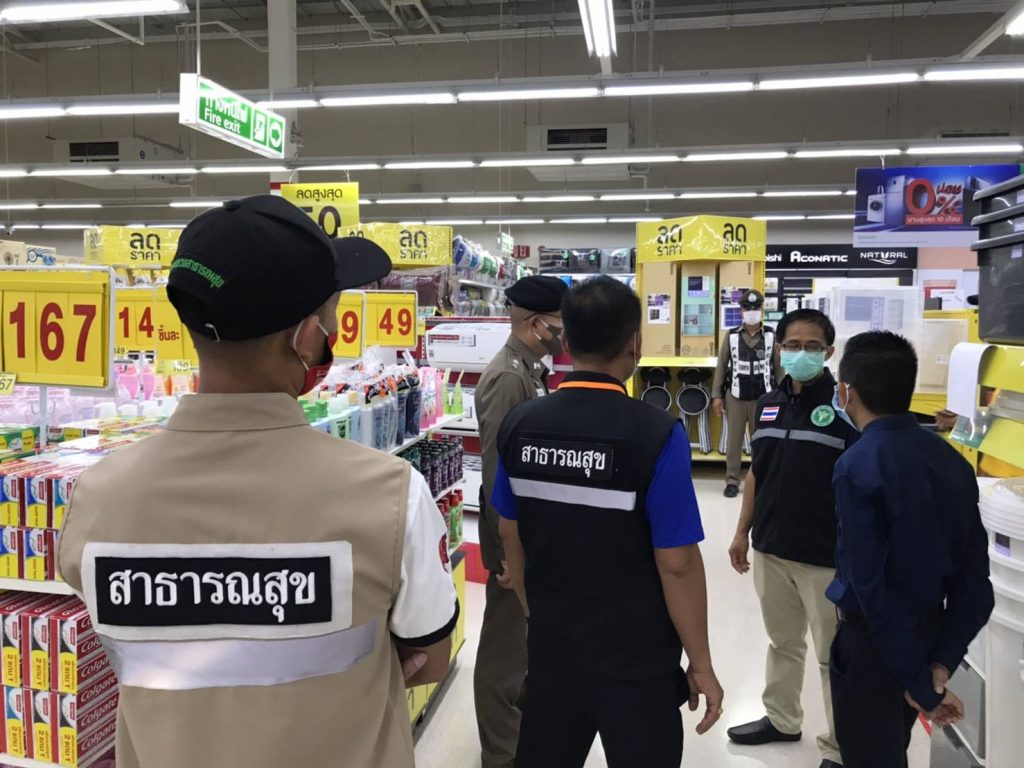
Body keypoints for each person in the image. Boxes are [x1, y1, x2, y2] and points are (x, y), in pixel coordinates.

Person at [57, 195, 459, 768]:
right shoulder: (390, 495)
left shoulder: (97, 496)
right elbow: (431, 657)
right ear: (305, 338)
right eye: (331, 317)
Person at [491, 276, 724, 768]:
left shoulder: (521, 423)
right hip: (637, 659)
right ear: (635, 344)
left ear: (567, 341)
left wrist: (536, 614)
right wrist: (700, 663)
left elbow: (510, 532)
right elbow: (678, 563)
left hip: (553, 652)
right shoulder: (656, 433)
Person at [827, 331, 994, 768]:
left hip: (872, 649)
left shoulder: (857, 466)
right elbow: (976, 587)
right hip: (929, 634)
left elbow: (870, 589)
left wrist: (919, 683)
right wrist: (938, 665)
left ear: (847, 392)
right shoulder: (952, 462)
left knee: (868, 756)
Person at [727, 308, 857, 768]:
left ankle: (841, 747)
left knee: (831, 656)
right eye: (794, 345)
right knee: (782, 642)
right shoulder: (768, 403)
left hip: (824, 556)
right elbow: (756, 473)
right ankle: (782, 719)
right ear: (779, 349)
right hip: (771, 549)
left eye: (813, 346)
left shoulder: (845, 408)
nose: (802, 354)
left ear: (829, 352)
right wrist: (742, 531)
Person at [474, 274, 569, 768]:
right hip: (510, 540)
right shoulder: (509, 378)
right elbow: (498, 471)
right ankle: (501, 755)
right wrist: (507, 553)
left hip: (525, 535)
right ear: (536, 324)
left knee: (523, 647)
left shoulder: (529, 369)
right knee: (503, 653)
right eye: (559, 325)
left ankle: (518, 738)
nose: (564, 334)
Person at [712, 289, 778, 498]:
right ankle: (732, 481)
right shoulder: (731, 335)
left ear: (762, 310)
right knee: (734, 441)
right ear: (741, 311)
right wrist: (716, 396)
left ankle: (760, 480)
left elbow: (779, 367)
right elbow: (721, 365)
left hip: (764, 398)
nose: (752, 311)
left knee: (762, 440)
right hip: (735, 396)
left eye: (756, 307)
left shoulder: (772, 335)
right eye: (747, 308)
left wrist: (782, 396)